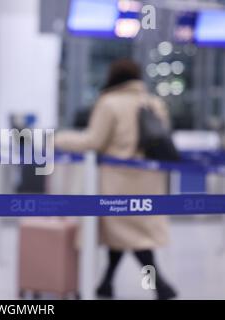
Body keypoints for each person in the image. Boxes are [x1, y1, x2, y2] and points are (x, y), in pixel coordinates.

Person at [55, 59, 177, 300]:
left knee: (134, 240)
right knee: (127, 236)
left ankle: (159, 285)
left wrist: (57, 139)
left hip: (119, 183)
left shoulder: (109, 103)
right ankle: (107, 284)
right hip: (149, 181)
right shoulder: (153, 103)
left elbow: (93, 142)